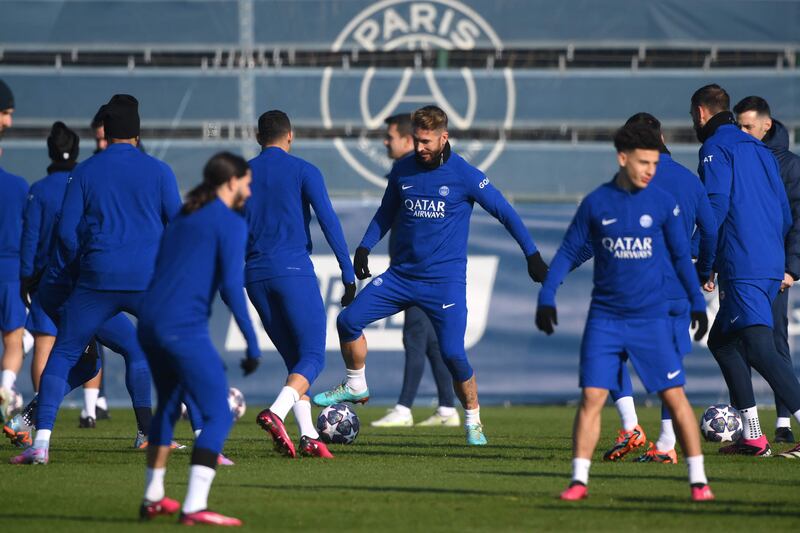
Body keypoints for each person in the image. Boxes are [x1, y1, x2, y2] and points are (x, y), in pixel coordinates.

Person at [313, 105, 549, 446]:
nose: (420, 147)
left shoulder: (465, 174)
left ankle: (472, 420)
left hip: (444, 284)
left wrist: (533, 255)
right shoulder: (403, 169)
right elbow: (386, 212)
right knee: (348, 321)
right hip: (400, 277)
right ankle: (355, 384)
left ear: (444, 137)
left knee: (453, 353)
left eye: (426, 141)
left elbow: (505, 212)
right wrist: (364, 247)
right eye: (416, 140)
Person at [536, 123, 713, 501]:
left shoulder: (663, 201)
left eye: (654, 162)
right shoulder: (597, 203)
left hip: (651, 317)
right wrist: (548, 293)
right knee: (592, 397)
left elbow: (682, 256)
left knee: (675, 396)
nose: (651, 170)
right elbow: (570, 250)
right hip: (606, 319)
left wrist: (697, 302)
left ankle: (698, 480)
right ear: (622, 158)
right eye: (644, 162)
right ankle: (579, 481)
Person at [10, 94, 182, 465]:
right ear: (137, 132)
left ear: (106, 132)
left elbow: (67, 233)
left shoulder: (86, 171)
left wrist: (84, 263)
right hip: (146, 281)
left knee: (66, 353)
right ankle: (195, 439)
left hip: (95, 279)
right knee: (178, 349)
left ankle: (40, 443)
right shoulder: (160, 171)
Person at [137, 152, 259, 526]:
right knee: (219, 413)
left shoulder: (185, 216)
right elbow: (232, 287)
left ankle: (153, 496)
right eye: (247, 182)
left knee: (170, 406)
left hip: (149, 323)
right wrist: (252, 341)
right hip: (181, 327)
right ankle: (194, 505)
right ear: (231, 181)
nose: (250, 191)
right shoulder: (230, 223)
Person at [593, 113, 717, 464]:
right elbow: (710, 231)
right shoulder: (690, 181)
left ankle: (632, 425)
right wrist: (703, 269)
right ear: (662, 136)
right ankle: (665, 444)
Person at [691, 84, 800, 459]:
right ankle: (753, 436)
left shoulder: (714, 148)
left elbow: (715, 205)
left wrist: (703, 260)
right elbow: (784, 212)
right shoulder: (760, 149)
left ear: (702, 114)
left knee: (758, 346)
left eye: (694, 117)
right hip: (768, 261)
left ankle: (766, 434)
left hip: (744, 262)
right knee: (723, 342)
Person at [245, 110, 355, 458]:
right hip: (292, 269)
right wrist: (348, 272)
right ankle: (275, 413)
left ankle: (308, 436)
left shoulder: (241, 174)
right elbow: (328, 221)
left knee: (296, 361)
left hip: (253, 275)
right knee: (313, 358)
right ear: (290, 136)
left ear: (257, 137)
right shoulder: (304, 170)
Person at [372, 113, 459, 428]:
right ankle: (448, 408)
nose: (385, 141)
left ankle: (404, 408)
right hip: (412, 270)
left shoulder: (418, 173)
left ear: (408, 140)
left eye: (390, 136)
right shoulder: (404, 173)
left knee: (415, 336)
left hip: (419, 274)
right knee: (434, 343)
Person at [734, 95, 800, 445]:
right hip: (744, 266)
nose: (743, 132)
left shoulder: (789, 166)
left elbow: (796, 222)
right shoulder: (742, 159)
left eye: (748, 126)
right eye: (739, 126)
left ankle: (784, 419)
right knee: (738, 342)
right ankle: (750, 427)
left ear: (766, 125)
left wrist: (791, 268)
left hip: (773, 272)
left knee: (773, 341)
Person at [0, 79, 28, 423]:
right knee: (14, 340)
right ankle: (6, 389)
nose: (8, 122)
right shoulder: (19, 187)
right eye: (5, 114)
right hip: (9, 273)